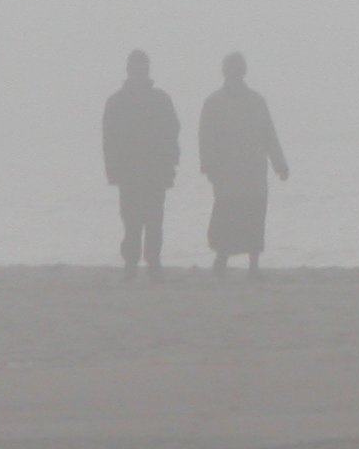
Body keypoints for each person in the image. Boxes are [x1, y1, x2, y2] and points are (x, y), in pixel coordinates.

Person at [199, 51, 288, 276]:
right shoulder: (213, 103)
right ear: (224, 71)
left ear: (244, 71)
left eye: (238, 68)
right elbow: (205, 136)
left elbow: (269, 135)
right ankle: (221, 260)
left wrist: (280, 164)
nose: (235, 72)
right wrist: (208, 165)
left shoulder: (257, 101)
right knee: (225, 218)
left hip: (253, 173)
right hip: (226, 174)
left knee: (254, 217)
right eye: (231, 68)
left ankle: (254, 264)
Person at [103, 50, 180, 280]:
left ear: (147, 69)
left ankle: (154, 261)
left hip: (155, 171)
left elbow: (172, 133)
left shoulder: (161, 100)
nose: (139, 71)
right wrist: (112, 170)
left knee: (155, 219)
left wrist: (171, 164)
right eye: (135, 66)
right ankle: (131, 262)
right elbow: (109, 139)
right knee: (131, 220)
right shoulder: (116, 102)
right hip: (129, 172)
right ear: (128, 70)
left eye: (142, 66)